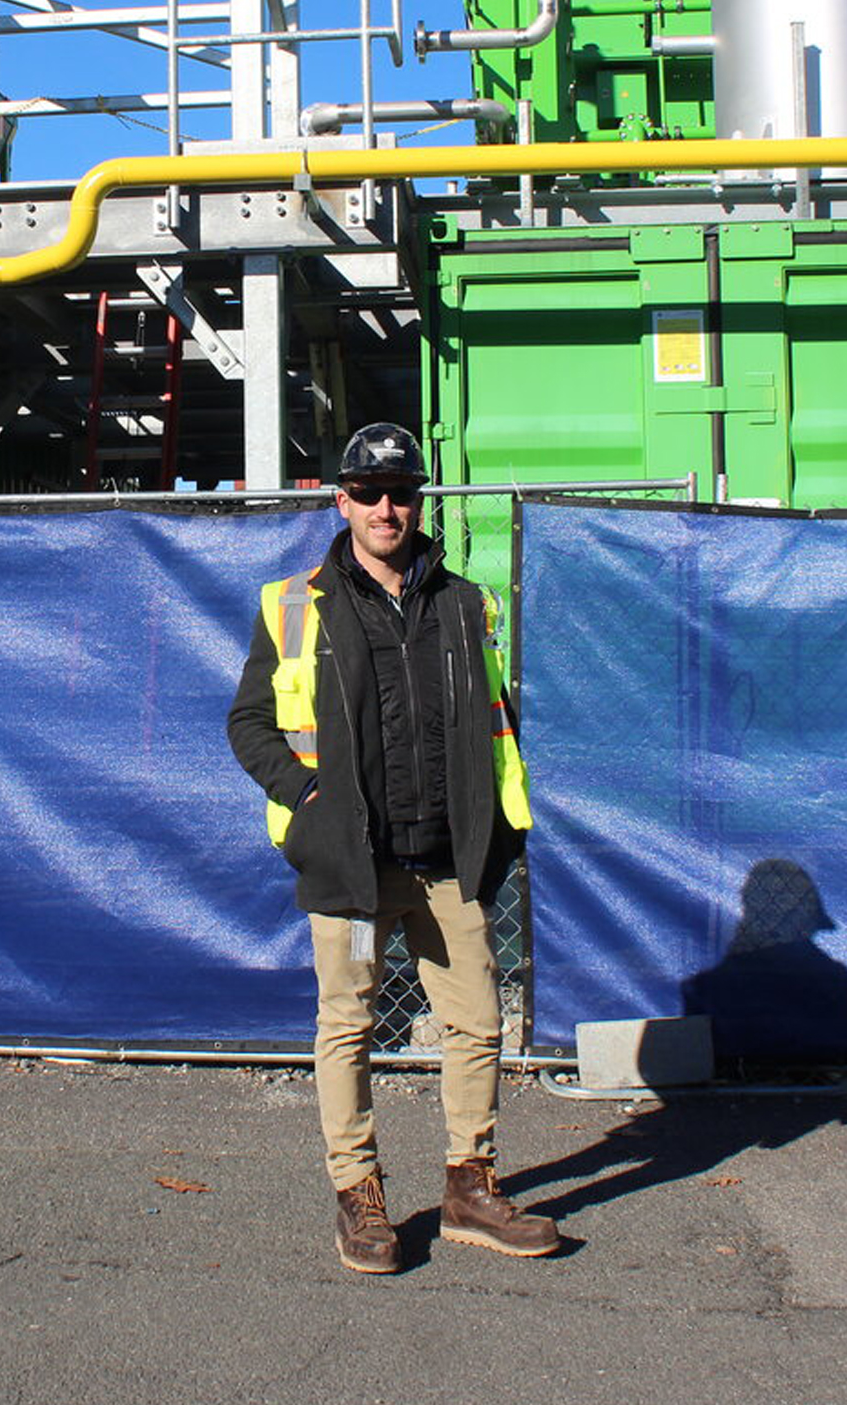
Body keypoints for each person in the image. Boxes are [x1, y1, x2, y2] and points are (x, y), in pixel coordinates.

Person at [228, 422, 559, 1273]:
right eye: (369, 493)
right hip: (354, 863)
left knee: (477, 1023)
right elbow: (250, 725)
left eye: (402, 492)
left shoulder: (463, 602)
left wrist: (499, 829)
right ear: (340, 502)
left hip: (449, 857)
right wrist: (309, 801)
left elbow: (496, 726)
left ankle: (469, 1188)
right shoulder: (294, 604)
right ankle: (359, 1199)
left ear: (419, 502)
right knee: (347, 1027)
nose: (387, 507)